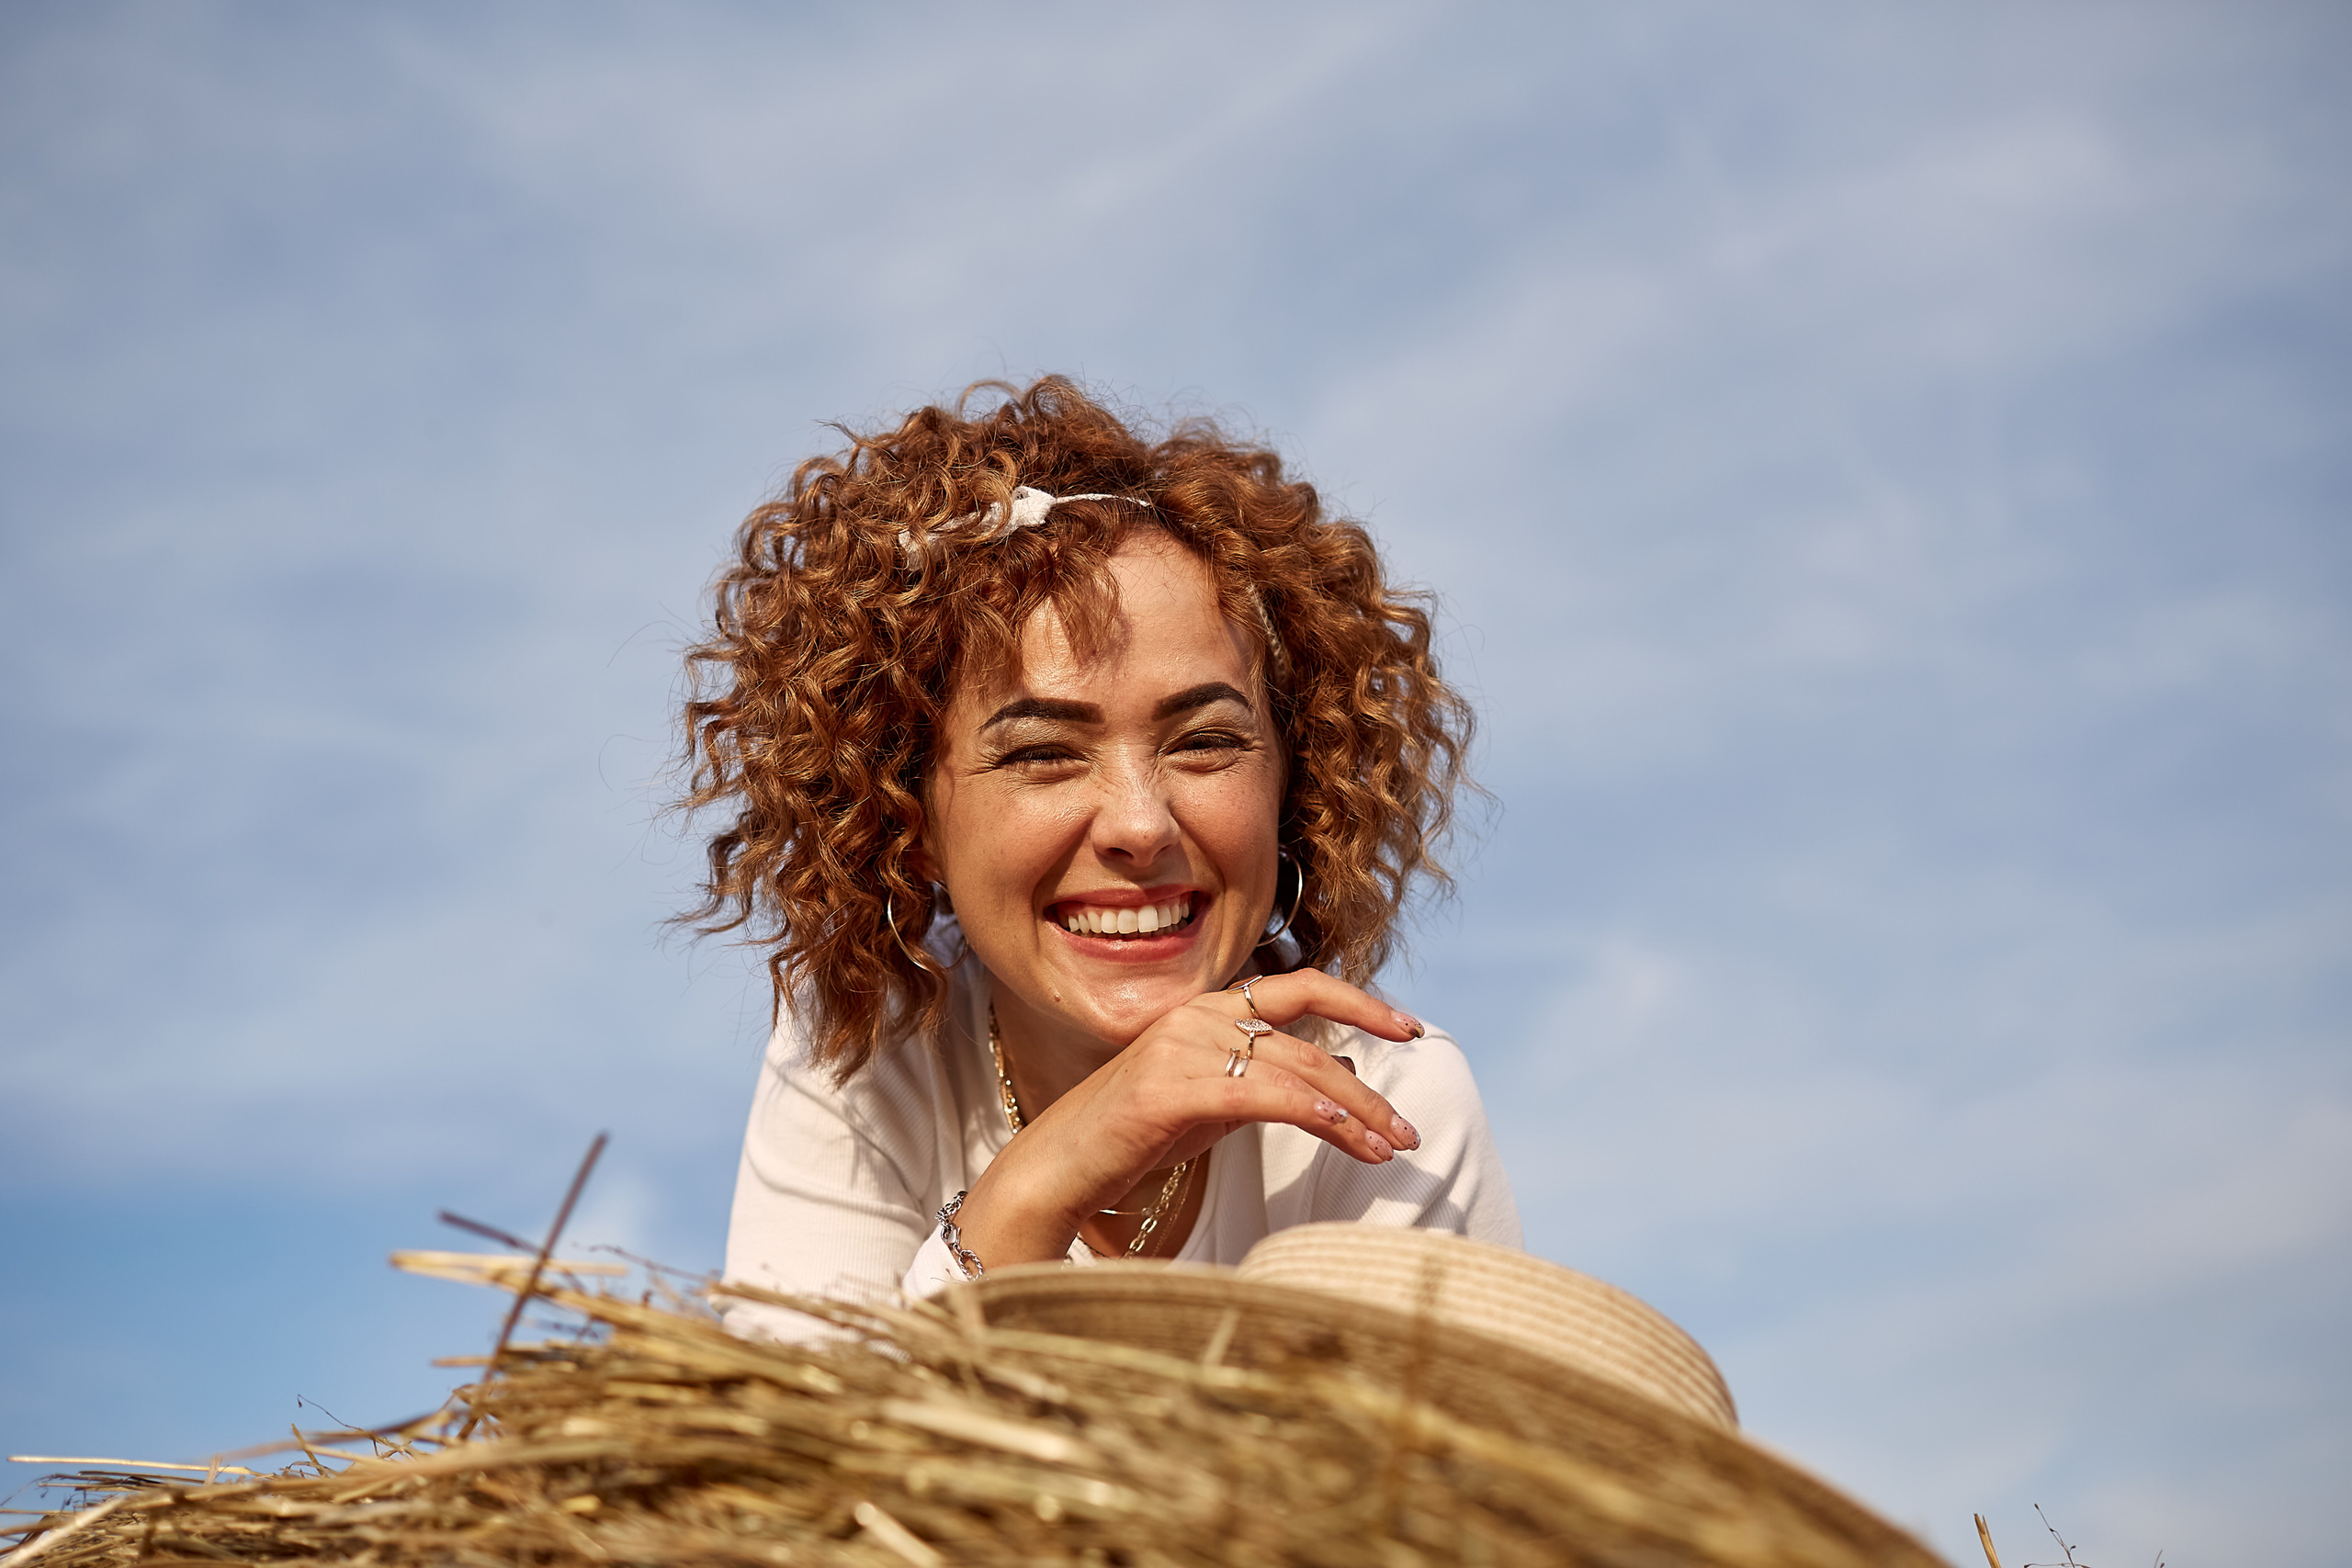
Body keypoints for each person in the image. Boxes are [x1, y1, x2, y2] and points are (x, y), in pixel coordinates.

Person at [679, 378, 1520, 1340]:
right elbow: (803, 1475)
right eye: (1042, 752)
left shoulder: (1389, 1111)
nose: (1140, 825)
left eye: (1204, 742)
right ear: (903, 815)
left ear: (1296, 785)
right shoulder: (862, 1052)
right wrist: (1044, 1180)